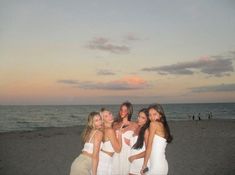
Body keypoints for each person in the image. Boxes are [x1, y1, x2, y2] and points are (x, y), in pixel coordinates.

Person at [141, 104, 173, 175]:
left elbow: (149, 147)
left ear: (160, 114)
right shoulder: (163, 126)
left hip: (157, 166)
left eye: (154, 114)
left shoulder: (153, 124)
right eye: (149, 115)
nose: (151, 117)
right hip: (160, 164)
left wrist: (144, 165)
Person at [112, 101, 138, 175]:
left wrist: (130, 143)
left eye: (125, 110)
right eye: (121, 110)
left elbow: (139, 142)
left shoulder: (135, 125)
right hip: (117, 154)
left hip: (128, 153)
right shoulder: (115, 125)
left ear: (129, 112)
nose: (122, 112)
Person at [97, 108, 123, 175]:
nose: (110, 116)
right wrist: (120, 136)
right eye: (106, 116)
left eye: (110, 114)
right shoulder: (109, 130)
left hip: (104, 158)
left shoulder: (102, 128)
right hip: (105, 160)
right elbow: (118, 150)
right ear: (102, 120)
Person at [129, 108, 150, 175]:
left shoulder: (146, 131)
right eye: (139, 116)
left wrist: (134, 157)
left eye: (143, 118)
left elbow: (148, 150)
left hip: (140, 163)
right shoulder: (138, 127)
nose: (139, 119)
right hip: (133, 163)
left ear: (147, 119)